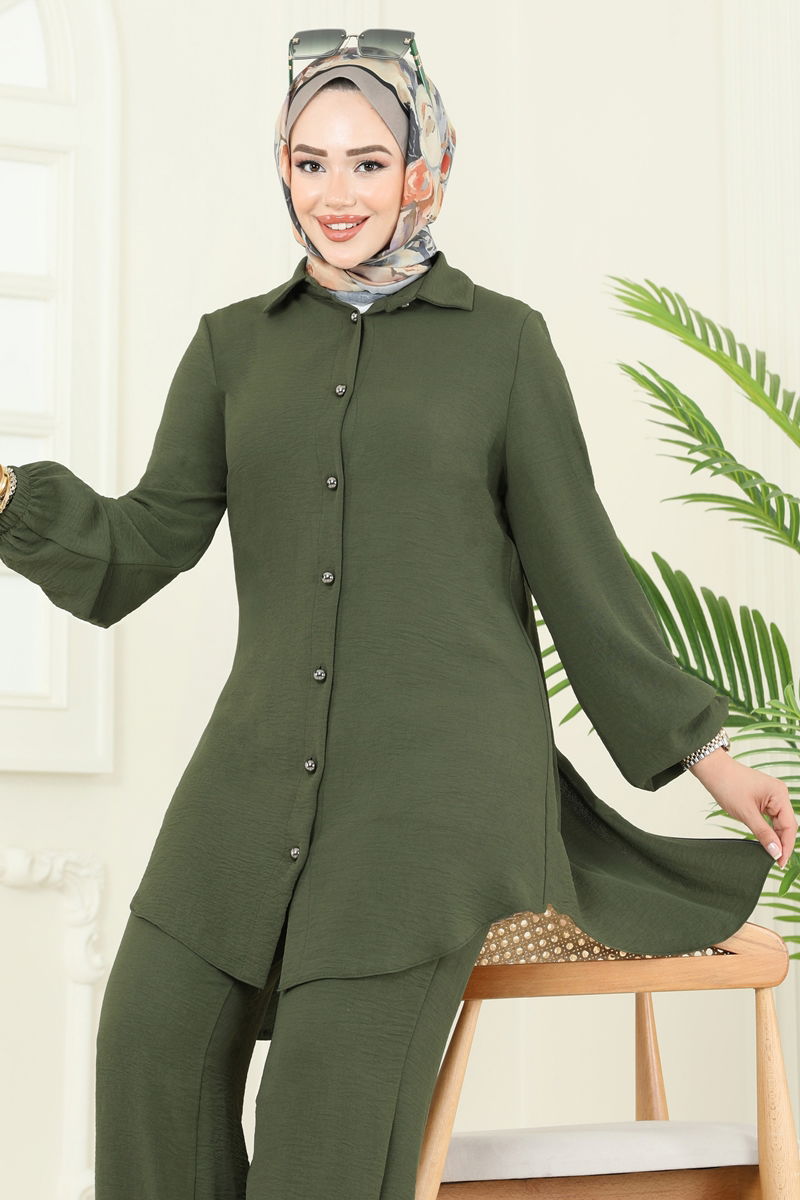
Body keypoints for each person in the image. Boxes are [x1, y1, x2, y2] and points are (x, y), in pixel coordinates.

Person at [0, 29, 795, 1200]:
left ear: (424, 167)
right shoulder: (231, 348)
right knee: (147, 1049)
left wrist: (704, 757)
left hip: (431, 799)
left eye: (368, 162)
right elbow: (139, 546)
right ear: (279, 167)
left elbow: (581, 571)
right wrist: (7, 495)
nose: (336, 193)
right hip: (254, 772)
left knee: (321, 1116)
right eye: (310, 162)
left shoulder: (503, 345)